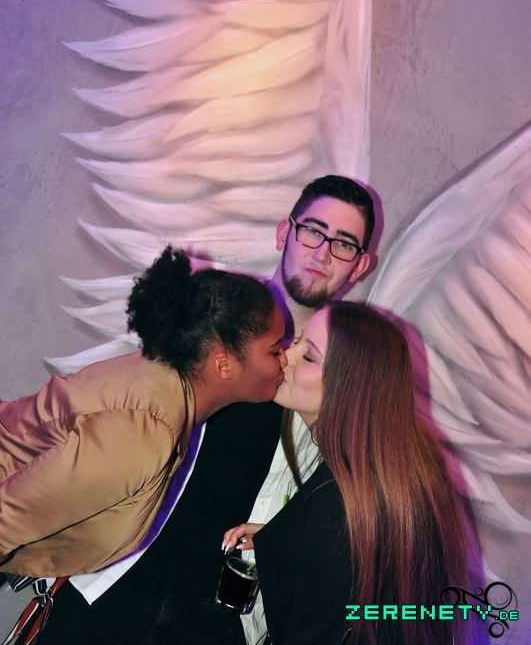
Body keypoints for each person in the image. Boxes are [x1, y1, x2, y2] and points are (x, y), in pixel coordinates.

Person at [36, 175, 375, 644]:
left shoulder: (340, 380)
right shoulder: (209, 316)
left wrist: (284, 540)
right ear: (285, 232)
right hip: (117, 581)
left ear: (360, 265)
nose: (323, 252)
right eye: (313, 231)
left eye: (344, 243)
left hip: (220, 617)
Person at [0, 246, 286, 578]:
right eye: (275, 350)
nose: (285, 358)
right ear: (223, 365)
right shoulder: (146, 430)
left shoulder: (163, 386)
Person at [223, 302, 469, 645]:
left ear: (352, 387)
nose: (285, 357)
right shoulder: (373, 476)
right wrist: (284, 538)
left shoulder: (338, 504)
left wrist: (304, 538)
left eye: (308, 357)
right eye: (296, 342)